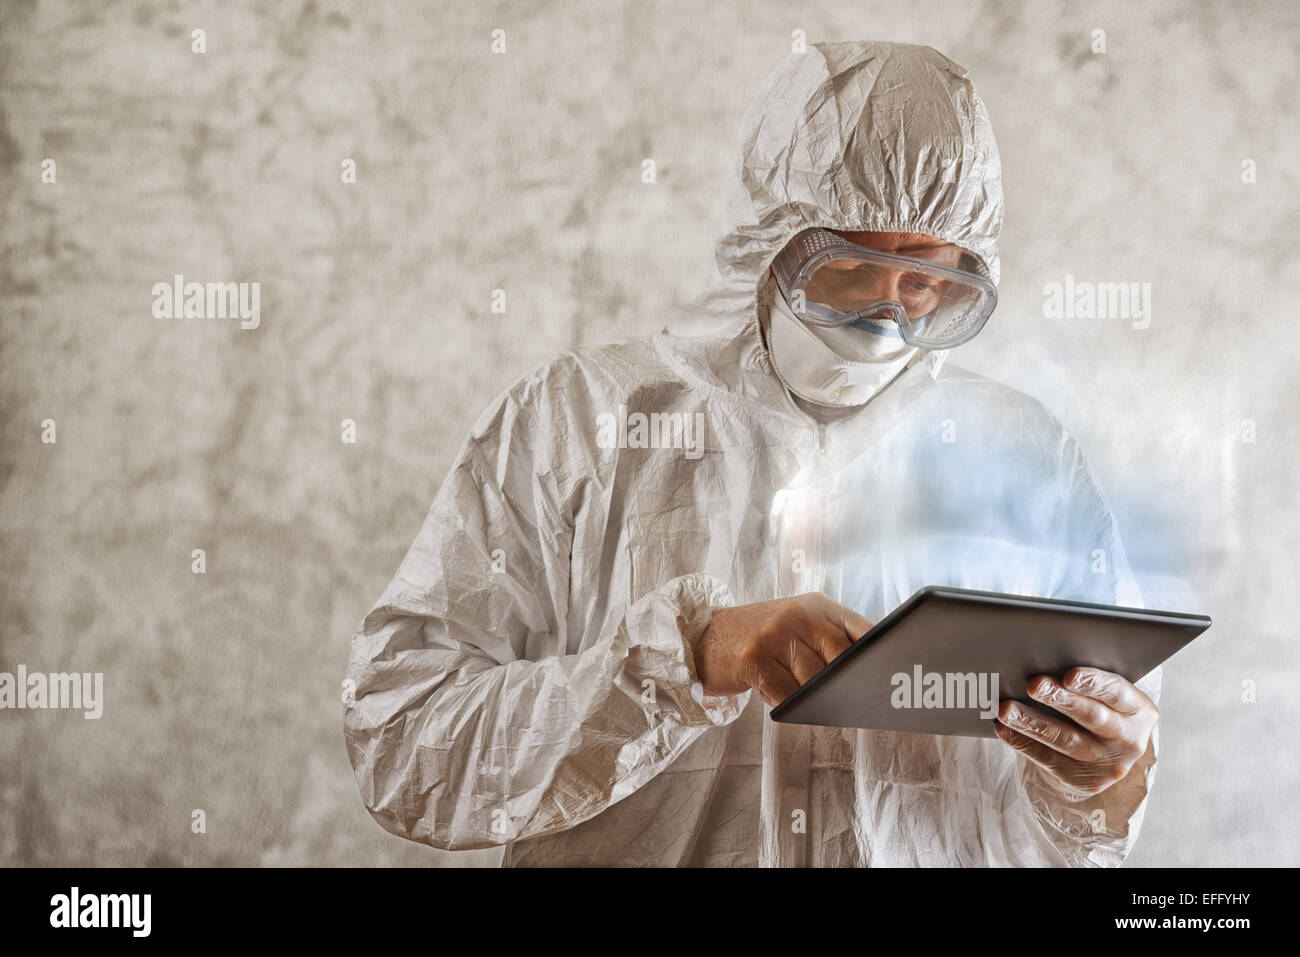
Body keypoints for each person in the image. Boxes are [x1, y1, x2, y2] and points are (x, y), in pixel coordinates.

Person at [342, 40, 1160, 867]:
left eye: (923, 282)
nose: (887, 315)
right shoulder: (576, 425)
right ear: (773, 235)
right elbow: (401, 739)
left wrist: (1098, 774)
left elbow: (1073, 829)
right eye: (851, 267)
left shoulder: (1027, 459)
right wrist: (687, 658)